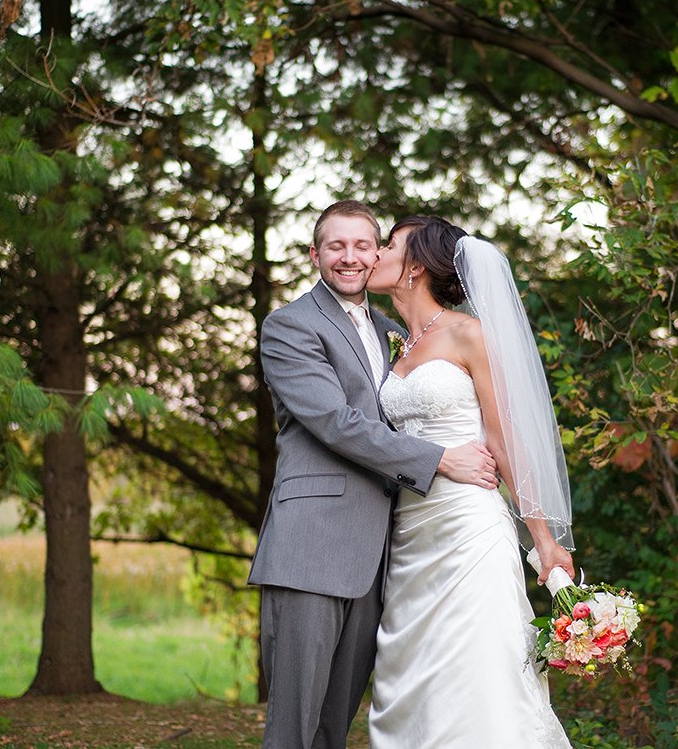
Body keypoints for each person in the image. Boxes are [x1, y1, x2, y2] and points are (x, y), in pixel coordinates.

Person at [247, 200, 500, 749]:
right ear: (315, 254)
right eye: (335, 246)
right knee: (293, 727)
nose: (350, 257)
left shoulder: (396, 333)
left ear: (379, 252)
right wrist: (436, 459)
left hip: (383, 556)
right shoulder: (289, 326)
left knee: (334, 726)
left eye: (363, 245)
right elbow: (335, 422)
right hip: (311, 547)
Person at [366, 215, 577, 748]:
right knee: (416, 677)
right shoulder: (394, 343)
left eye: (387, 245)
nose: (374, 253)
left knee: (477, 676)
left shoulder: (467, 332)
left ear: (414, 267)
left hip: (469, 529)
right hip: (409, 534)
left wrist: (544, 541)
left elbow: (506, 443)